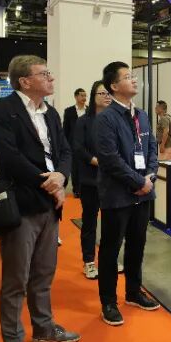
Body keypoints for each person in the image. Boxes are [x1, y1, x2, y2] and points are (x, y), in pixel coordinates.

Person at [0, 55, 80, 342]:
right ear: (25, 81)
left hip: (50, 205)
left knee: (43, 273)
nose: (51, 78)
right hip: (22, 203)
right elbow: (9, 157)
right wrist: (48, 182)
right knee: (16, 279)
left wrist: (62, 177)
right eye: (45, 74)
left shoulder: (50, 112)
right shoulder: (2, 110)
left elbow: (65, 150)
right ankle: (13, 340)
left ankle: (43, 326)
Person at [94, 61, 161, 326]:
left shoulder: (141, 115)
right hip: (117, 195)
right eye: (127, 76)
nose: (134, 80)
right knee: (111, 249)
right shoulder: (105, 119)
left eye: (133, 76)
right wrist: (138, 181)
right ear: (113, 86)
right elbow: (110, 159)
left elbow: (152, 147)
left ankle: (133, 292)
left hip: (142, 193)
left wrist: (150, 176)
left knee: (137, 245)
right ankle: (108, 302)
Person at [73, 80, 111, 280]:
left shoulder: (115, 119)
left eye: (108, 93)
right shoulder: (84, 122)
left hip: (112, 180)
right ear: (94, 96)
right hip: (91, 179)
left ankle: (108, 259)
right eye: (102, 93)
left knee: (111, 223)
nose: (106, 97)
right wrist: (97, 161)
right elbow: (78, 148)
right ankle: (89, 261)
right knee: (90, 222)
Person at [63, 88, 89, 196]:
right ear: (76, 97)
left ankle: (86, 189)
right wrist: (65, 145)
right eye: (82, 95)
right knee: (75, 168)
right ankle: (77, 190)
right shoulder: (69, 111)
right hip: (73, 144)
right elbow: (65, 130)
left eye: (85, 95)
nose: (84, 98)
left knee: (86, 167)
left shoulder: (89, 110)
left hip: (88, 145)